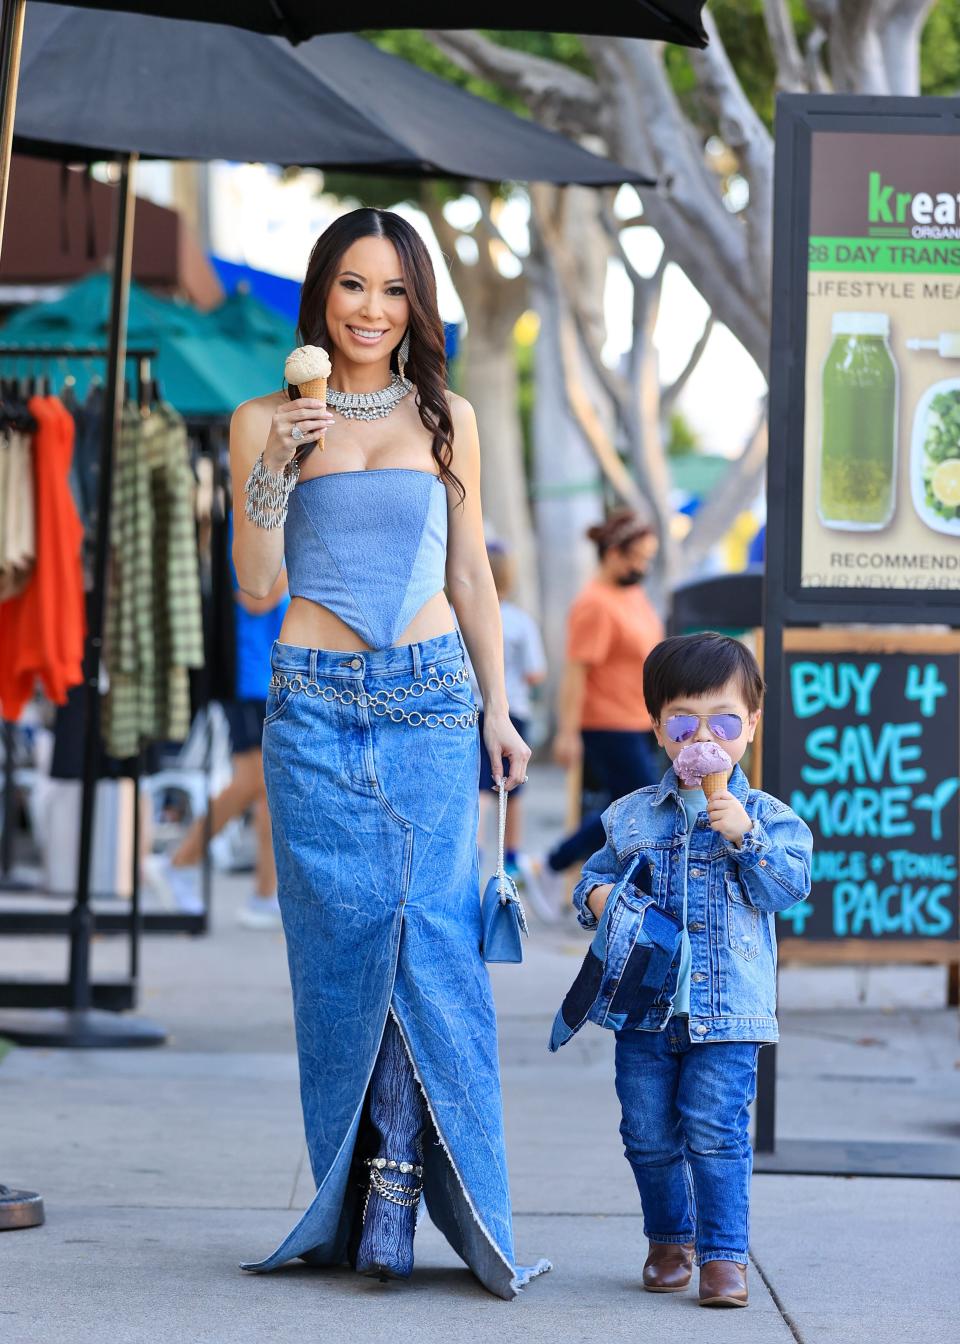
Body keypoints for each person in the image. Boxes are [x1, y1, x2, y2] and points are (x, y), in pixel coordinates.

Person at [229, 208, 548, 1297]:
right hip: (312, 704)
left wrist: (498, 711)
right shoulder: (258, 418)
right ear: (321, 296)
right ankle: (354, 1191)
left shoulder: (446, 414)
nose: (371, 310)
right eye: (352, 287)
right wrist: (277, 464)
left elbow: (472, 580)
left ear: (417, 304)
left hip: (427, 699)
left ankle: (413, 1192)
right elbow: (261, 588)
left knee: (431, 945)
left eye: (394, 290)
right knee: (342, 956)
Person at [569, 633, 812, 1307]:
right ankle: (668, 1238)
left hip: (728, 1010)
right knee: (646, 1133)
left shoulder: (771, 818)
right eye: (683, 723)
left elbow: (786, 888)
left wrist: (743, 838)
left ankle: (724, 1257)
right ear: (657, 727)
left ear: (752, 726)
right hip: (643, 1008)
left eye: (724, 722)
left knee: (715, 1129)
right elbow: (593, 880)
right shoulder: (630, 816)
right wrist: (597, 897)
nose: (703, 737)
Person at [535, 509, 663, 918]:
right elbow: (576, 672)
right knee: (644, 807)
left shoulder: (633, 594)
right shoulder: (594, 604)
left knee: (622, 807)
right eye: (635, 558)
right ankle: (553, 864)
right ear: (612, 553)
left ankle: (564, 869)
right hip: (608, 723)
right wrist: (567, 732)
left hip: (640, 721)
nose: (640, 567)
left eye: (646, 559)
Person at [156, 564, 288, 930]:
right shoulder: (248, 514)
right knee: (254, 781)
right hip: (248, 675)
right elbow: (254, 597)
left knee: (271, 790)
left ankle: (265, 894)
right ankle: (178, 863)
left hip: (271, 671)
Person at [473, 541, 546, 882]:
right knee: (511, 787)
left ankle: (474, 851)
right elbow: (535, 671)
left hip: (472, 708)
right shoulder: (518, 621)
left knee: (478, 788)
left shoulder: (462, 617)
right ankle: (511, 858)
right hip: (512, 709)